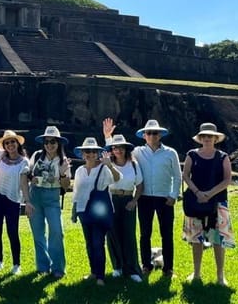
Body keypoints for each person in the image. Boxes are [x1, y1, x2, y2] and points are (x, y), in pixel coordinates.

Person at [107, 119, 181, 277]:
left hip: (165, 198)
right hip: (144, 198)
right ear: (144, 136)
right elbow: (116, 153)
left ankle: (168, 268)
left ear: (160, 135)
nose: (152, 136)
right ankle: (146, 265)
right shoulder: (137, 152)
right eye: (149, 133)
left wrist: (174, 195)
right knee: (144, 233)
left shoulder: (170, 153)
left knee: (166, 234)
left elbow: (177, 175)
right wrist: (108, 137)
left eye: (155, 133)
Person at [181, 123, 234, 285]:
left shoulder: (223, 156)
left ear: (215, 138)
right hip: (195, 200)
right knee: (196, 238)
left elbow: (227, 179)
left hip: (217, 202)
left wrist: (209, 194)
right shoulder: (192, 154)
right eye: (204, 136)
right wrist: (198, 193)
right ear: (200, 138)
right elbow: (186, 175)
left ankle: (220, 276)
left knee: (218, 239)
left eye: (210, 136)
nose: (207, 139)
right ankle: (196, 273)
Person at [0, 115, 30, 275]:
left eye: (12, 142)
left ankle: (16, 264)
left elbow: (23, 182)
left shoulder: (24, 162)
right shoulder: (1, 155)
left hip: (12, 200)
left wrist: (27, 201)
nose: (10, 145)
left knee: (12, 232)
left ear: (17, 144)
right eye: (7, 142)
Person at [72, 137, 122, 286]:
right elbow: (76, 191)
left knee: (98, 242)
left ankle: (100, 276)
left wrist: (110, 166)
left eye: (94, 151)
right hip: (83, 210)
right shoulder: (80, 170)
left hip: (99, 212)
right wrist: (74, 211)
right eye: (87, 151)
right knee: (89, 243)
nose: (91, 154)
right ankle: (94, 272)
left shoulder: (104, 168)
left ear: (98, 153)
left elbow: (118, 178)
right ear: (82, 154)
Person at [101, 128, 144, 283]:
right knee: (112, 234)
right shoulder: (108, 164)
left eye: (120, 147)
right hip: (112, 200)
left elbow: (139, 185)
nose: (117, 150)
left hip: (127, 201)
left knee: (129, 235)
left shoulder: (133, 164)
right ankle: (117, 267)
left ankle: (132, 269)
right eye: (114, 147)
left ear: (126, 149)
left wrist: (134, 201)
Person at [27, 126, 71, 279]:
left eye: (53, 142)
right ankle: (42, 266)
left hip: (53, 197)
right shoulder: (37, 155)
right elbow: (27, 174)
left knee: (57, 231)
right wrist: (30, 179)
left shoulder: (63, 161)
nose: (49, 145)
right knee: (38, 233)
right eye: (46, 142)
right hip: (35, 196)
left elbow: (66, 186)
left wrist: (64, 173)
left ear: (58, 143)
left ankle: (58, 267)